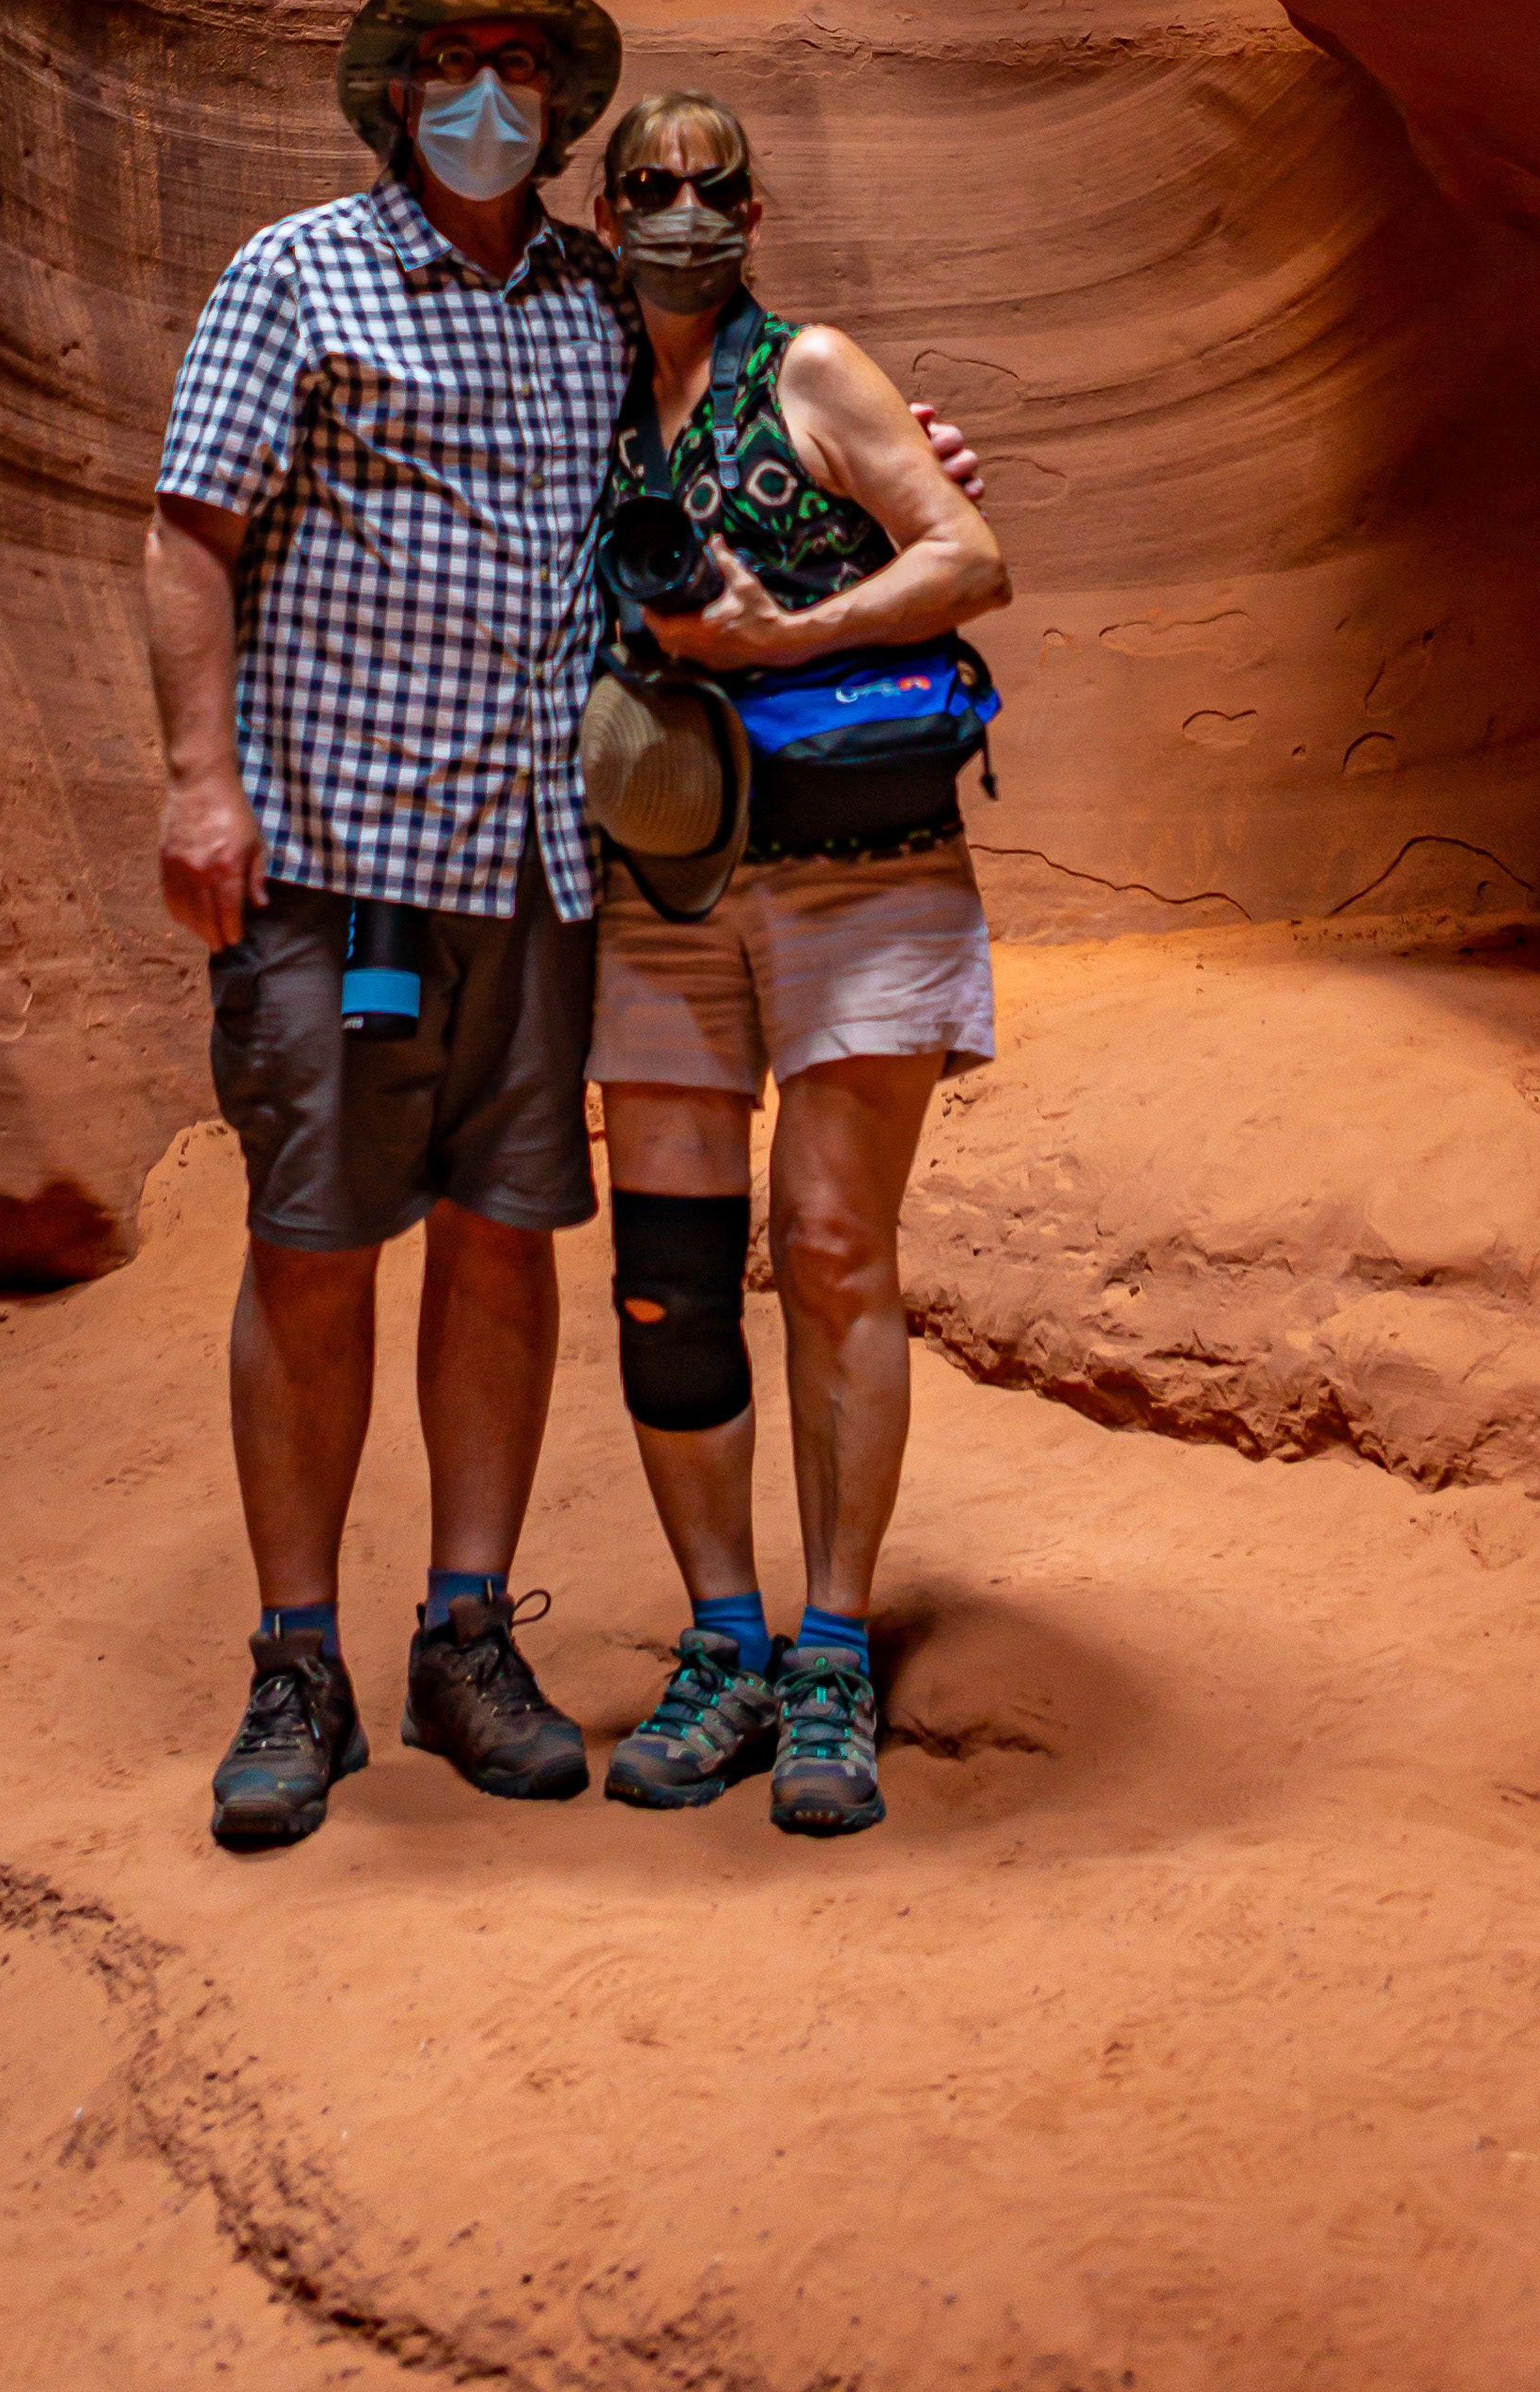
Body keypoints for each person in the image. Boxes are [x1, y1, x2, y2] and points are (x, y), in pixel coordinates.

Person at [147, 0, 633, 1854]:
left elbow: (737, 443)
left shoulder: (601, 300)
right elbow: (192, 532)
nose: (485, 92)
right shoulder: (297, 274)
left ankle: (464, 1639)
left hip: (536, 858)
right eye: (451, 60)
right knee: (314, 1244)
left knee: (505, 1239)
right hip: (339, 858)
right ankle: (295, 1663)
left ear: (560, 102)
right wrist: (200, 782)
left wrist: (911, 458)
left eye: (519, 62)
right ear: (396, 90)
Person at [584, 89, 1010, 1842]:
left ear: (754, 215)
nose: (684, 213)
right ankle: (724, 1644)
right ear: (605, 215)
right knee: (672, 1279)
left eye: (715, 188)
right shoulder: (576, 396)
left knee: (832, 1248)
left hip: (860, 870)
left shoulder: (815, 370)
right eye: (651, 187)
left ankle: (831, 1647)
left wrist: (791, 633)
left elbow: (970, 555)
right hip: (661, 887)